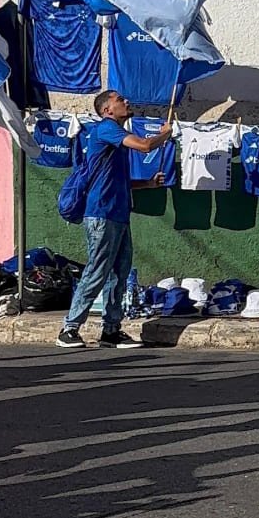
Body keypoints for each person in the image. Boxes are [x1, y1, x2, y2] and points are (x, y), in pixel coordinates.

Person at [55, 90, 171, 349]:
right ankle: (69, 328)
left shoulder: (115, 141)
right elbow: (144, 146)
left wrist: (147, 184)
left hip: (118, 214)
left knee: (119, 274)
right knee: (97, 270)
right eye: (120, 100)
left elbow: (118, 181)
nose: (126, 102)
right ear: (107, 110)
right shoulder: (106, 129)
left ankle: (111, 330)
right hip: (101, 214)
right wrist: (165, 134)